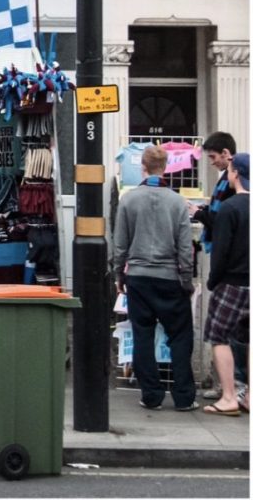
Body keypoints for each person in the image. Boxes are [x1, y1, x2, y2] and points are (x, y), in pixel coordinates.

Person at [113, 145, 197, 411]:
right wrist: (186, 278)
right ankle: (183, 396)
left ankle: (151, 395)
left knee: (143, 335)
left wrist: (119, 274)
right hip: (170, 277)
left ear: (143, 167)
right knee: (180, 336)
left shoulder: (128, 200)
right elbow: (185, 246)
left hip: (138, 277)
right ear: (166, 168)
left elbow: (120, 243)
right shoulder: (177, 201)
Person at [202, 152, 249, 417]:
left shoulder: (230, 208)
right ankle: (249, 396)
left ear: (236, 174)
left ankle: (229, 396)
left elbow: (220, 252)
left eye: (230, 170)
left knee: (219, 337)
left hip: (232, 283)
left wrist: (213, 280)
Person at [188, 131, 237, 252]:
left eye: (213, 156)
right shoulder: (226, 177)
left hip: (225, 246)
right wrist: (203, 209)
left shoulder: (231, 181)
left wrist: (197, 213)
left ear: (225, 153)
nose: (212, 162)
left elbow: (220, 219)